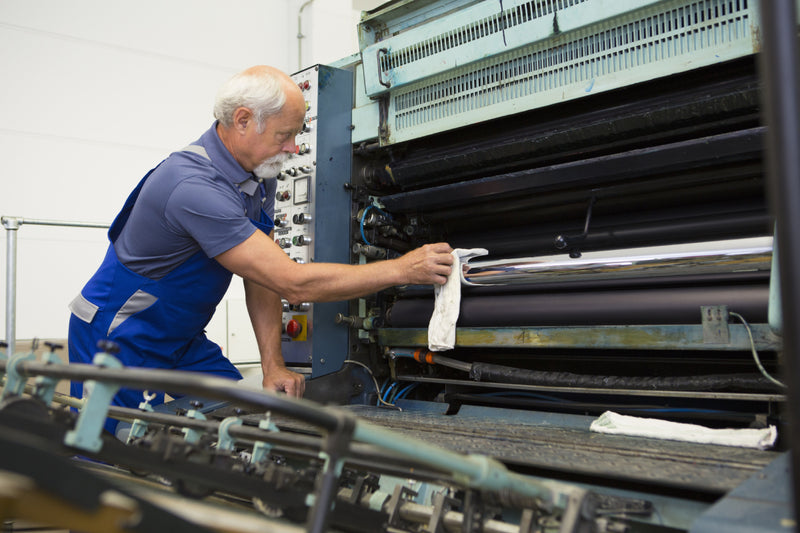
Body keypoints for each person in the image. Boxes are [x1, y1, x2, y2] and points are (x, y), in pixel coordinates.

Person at [68, 66, 453, 431]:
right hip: (118, 335)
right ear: (242, 121)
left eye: (298, 133)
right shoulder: (193, 187)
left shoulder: (259, 174)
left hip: (180, 338)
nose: (293, 147)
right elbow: (292, 282)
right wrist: (403, 269)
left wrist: (273, 365)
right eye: (284, 135)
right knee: (107, 447)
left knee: (243, 423)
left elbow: (262, 277)